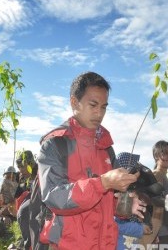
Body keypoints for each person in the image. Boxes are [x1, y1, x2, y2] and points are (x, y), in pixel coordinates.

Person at [37, 71, 145, 249]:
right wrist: (102, 183)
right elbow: (54, 197)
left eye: (104, 107)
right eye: (93, 105)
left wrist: (126, 204)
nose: (99, 113)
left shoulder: (105, 147)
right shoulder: (55, 144)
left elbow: (111, 200)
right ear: (74, 102)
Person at [114, 152, 150, 250]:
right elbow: (115, 225)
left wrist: (142, 225)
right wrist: (139, 229)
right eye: (134, 169)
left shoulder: (133, 193)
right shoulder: (115, 195)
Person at [151, 140, 168, 247]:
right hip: (162, 234)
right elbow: (153, 203)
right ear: (156, 156)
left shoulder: (165, 177)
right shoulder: (156, 175)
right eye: (165, 153)